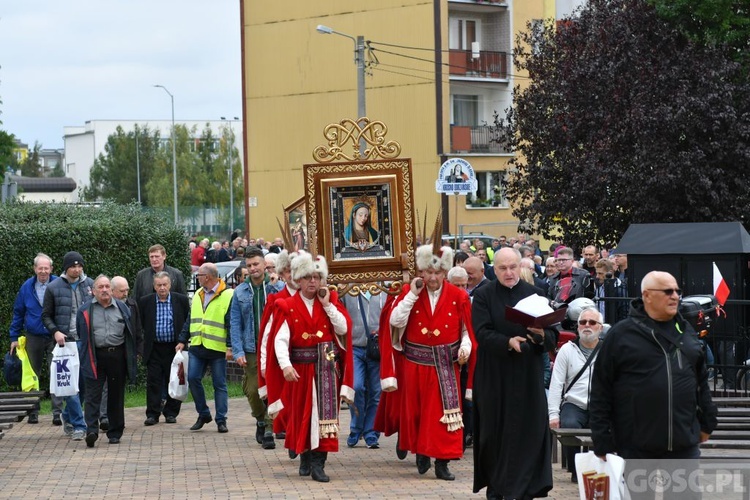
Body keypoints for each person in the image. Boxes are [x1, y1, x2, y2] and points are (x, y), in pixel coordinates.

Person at [590, 271, 717, 470]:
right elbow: (601, 389)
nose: (675, 296)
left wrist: (708, 420)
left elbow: (700, 380)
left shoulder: (685, 331)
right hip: (636, 443)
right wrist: (601, 438)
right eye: (667, 291)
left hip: (682, 441)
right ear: (647, 295)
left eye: (677, 291)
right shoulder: (622, 334)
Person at [471, 247, 556, 499]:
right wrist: (508, 342)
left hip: (527, 375)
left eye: (512, 267)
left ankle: (524, 489)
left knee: (527, 432)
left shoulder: (536, 294)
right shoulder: (484, 295)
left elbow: (552, 334)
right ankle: (498, 488)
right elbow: (482, 332)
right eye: (502, 268)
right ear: (493, 269)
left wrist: (542, 336)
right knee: (494, 433)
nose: (508, 273)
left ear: (521, 267)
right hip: (494, 376)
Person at [389, 243, 476, 481]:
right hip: (416, 363)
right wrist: (411, 295)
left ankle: (443, 462)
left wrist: (465, 348)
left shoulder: (459, 296)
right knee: (417, 413)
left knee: (445, 415)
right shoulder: (411, 292)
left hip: (446, 365)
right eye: (429, 272)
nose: (433, 277)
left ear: (445, 272)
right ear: (422, 272)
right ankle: (421, 451)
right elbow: (395, 322)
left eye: (438, 273)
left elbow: (467, 331)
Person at [266, 252, 353, 482]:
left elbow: (343, 329)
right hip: (300, 371)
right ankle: (304, 455)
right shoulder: (287, 305)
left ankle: (318, 463)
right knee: (301, 415)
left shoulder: (330, 302)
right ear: (298, 279)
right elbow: (280, 339)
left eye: (317, 277)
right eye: (307, 277)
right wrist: (285, 365)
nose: (312, 281)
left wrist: (328, 306)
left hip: (326, 371)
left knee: (326, 418)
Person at [229, 247, 281, 449]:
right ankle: (260, 419)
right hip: (251, 348)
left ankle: (269, 428)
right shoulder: (240, 291)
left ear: (264, 265)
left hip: (274, 347)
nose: (252, 268)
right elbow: (235, 322)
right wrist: (238, 350)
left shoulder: (277, 287)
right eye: (249, 265)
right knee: (252, 390)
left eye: (256, 264)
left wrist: (277, 287)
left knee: (272, 389)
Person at [77, 275, 138, 447]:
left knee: (116, 394)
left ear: (111, 290)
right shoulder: (85, 310)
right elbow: (82, 335)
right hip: (94, 356)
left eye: (107, 287)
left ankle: (115, 431)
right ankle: (91, 431)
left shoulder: (122, 308)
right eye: (100, 287)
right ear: (93, 291)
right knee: (92, 395)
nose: (104, 290)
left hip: (117, 355)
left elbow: (130, 333)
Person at [41, 251, 93, 442]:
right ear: (66, 267)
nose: (77, 269)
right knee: (70, 386)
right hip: (66, 344)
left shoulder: (90, 285)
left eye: (80, 266)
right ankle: (79, 425)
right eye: (73, 266)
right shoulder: (54, 287)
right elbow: (45, 315)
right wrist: (55, 331)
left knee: (84, 385)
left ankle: (68, 416)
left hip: (86, 342)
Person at [176, 262, 233, 433]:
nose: (197, 278)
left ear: (207, 277)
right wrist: (182, 339)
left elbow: (232, 322)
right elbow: (190, 319)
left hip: (217, 348)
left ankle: (221, 419)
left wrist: (230, 346)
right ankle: (203, 413)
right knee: (193, 378)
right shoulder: (198, 294)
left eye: (199, 275)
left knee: (219, 384)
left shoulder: (229, 294)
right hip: (198, 345)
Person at [548, 307, 603, 483]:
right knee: (570, 425)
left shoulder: (608, 350)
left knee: (603, 428)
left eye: (592, 322)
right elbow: (556, 383)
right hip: (574, 403)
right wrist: (553, 414)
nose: (587, 326)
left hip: (599, 403)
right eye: (583, 322)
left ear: (600, 327)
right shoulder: (567, 350)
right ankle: (574, 469)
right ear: (577, 327)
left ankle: (595, 467)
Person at [10, 253, 60, 425]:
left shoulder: (58, 284)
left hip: (55, 335)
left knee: (57, 373)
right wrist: (14, 336)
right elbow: (18, 313)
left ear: (51, 269)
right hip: (33, 336)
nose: (43, 271)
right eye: (40, 268)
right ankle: (32, 412)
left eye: (46, 268)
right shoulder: (26, 287)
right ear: (35, 269)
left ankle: (57, 413)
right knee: (31, 375)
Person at [139, 272, 190, 426]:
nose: (162, 288)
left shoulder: (180, 300)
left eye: (164, 285)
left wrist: (183, 341)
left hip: (174, 348)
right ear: (154, 286)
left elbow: (188, 321)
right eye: (158, 285)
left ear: (170, 285)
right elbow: (141, 324)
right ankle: (152, 414)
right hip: (154, 347)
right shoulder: (145, 301)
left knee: (174, 379)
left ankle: (171, 412)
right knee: (153, 381)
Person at [341, 290, 385, 449]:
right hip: (355, 348)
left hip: (377, 348)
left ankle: (371, 432)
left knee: (376, 391)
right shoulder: (348, 289)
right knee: (356, 387)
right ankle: (356, 428)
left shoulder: (385, 288)